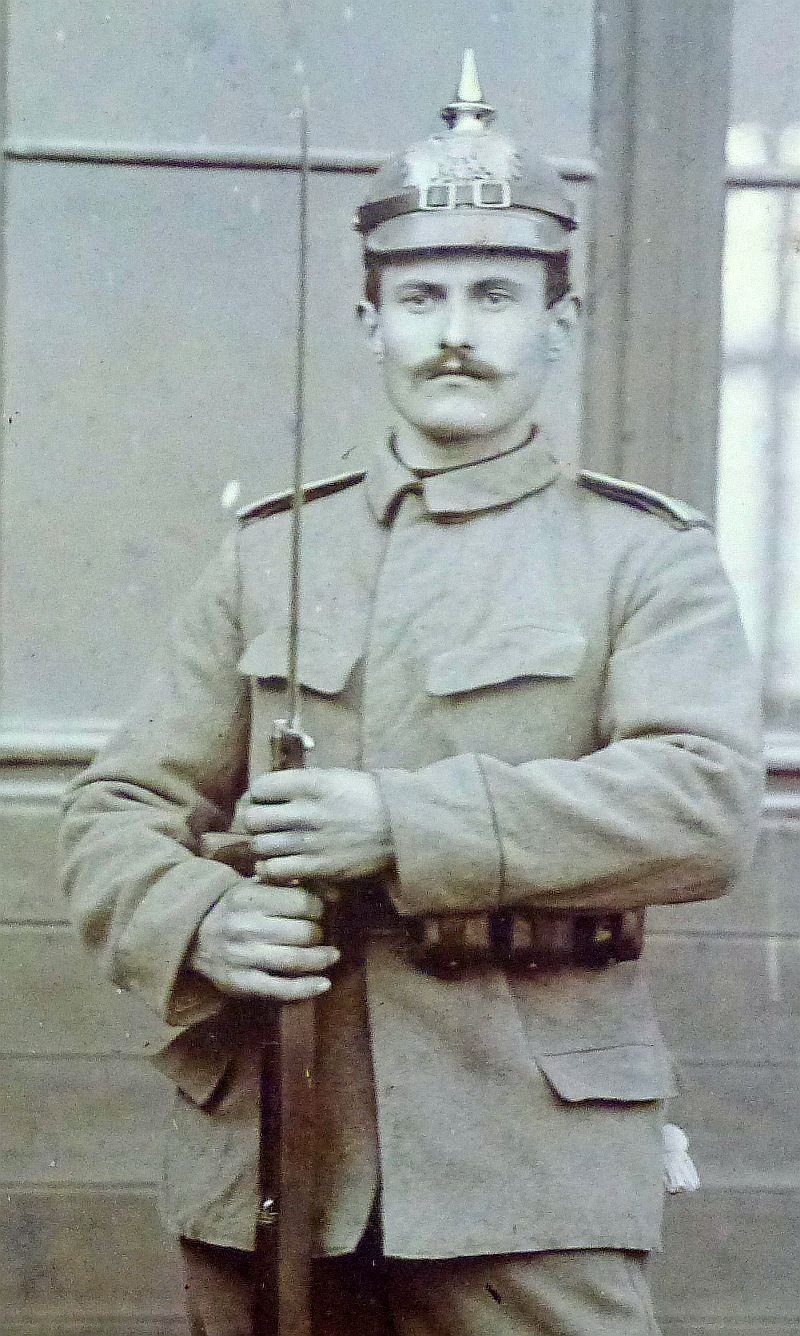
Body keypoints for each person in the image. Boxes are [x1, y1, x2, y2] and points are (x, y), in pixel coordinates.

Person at [61, 51, 762, 1336]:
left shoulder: (642, 556)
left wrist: (400, 822)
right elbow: (115, 809)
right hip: (277, 1141)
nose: (454, 331)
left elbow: (702, 802)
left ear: (557, 322)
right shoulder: (270, 549)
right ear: (368, 320)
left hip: (525, 1155)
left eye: (495, 294)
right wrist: (205, 919)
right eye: (419, 294)